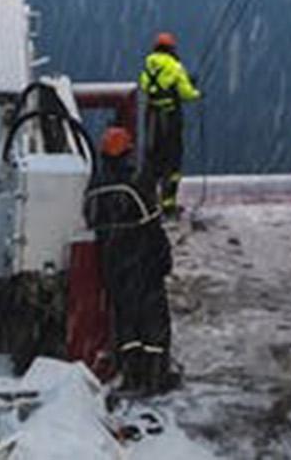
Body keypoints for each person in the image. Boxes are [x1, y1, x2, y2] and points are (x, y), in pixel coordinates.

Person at [84, 125, 179, 393]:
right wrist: (163, 257)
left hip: (113, 266)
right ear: (127, 153)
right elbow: (152, 227)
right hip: (142, 263)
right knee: (153, 321)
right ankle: (156, 375)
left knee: (126, 320)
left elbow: (91, 224)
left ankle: (131, 373)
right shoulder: (135, 187)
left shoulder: (95, 189)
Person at [138, 31, 201, 217]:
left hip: (152, 119)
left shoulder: (149, 66)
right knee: (172, 162)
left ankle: (147, 202)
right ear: (172, 48)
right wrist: (197, 92)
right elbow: (186, 93)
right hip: (171, 119)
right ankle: (168, 204)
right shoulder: (175, 67)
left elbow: (145, 86)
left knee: (152, 159)